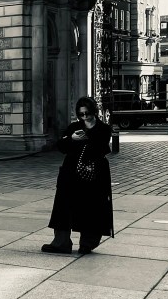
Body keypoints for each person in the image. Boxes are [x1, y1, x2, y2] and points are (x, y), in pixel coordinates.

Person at [42, 96, 114, 255]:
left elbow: (102, 148)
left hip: (94, 174)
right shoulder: (74, 127)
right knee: (63, 205)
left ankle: (87, 243)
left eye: (87, 113)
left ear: (94, 111)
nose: (85, 117)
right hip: (71, 173)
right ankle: (61, 243)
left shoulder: (103, 128)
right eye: (81, 114)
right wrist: (72, 139)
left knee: (91, 207)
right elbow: (61, 147)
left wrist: (87, 139)